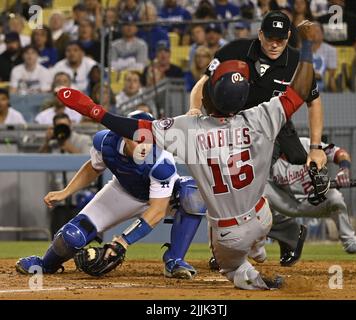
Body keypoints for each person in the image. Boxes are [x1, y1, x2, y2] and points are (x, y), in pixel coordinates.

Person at [57, 20, 318, 290]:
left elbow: (135, 129)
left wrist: (93, 110)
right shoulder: (263, 116)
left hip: (228, 234)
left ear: (209, 98)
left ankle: (247, 269)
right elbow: (300, 89)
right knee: (256, 204)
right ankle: (259, 248)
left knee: (231, 264)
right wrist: (307, 45)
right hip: (261, 216)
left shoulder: (188, 129)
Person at [188, 11, 326, 266]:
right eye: (270, 38)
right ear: (260, 34)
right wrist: (195, 109)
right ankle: (286, 232)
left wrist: (316, 147)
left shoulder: (297, 61)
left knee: (242, 185)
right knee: (230, 189)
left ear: (287, 38)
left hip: (272, 130)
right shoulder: (235, 50)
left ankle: (234, 250)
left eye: (281, 39)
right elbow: (202, 82)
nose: (275, 44)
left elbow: (313, 101)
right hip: (231, 127)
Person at [16, 111, 206, 280]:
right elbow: (93, 168)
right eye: (138, 139)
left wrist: (123, 242)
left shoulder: (161, 162)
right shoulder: (105, 142)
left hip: (162, 199)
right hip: (122, 191)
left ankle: (175, 260)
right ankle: (46, 264)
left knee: (192, 194)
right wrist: (66, 191)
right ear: (123, 135)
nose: (144, 146)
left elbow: (156, 211)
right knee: (70, 237)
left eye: (149, 139)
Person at [265, 137, 356, 254]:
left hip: (315, 201)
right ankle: (270, 240)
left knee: (335, 197)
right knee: (259, 190)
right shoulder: (268, 156)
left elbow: (340, 153)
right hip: (286, 204)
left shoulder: (307, 145)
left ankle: (350, 242)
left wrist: (344, 169)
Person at [312, 23, 337, 92]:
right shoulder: (302, 49)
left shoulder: (331, 50)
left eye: (317, 32)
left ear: (322, 35)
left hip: (321, 81)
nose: (314, 34)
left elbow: (331, 73)